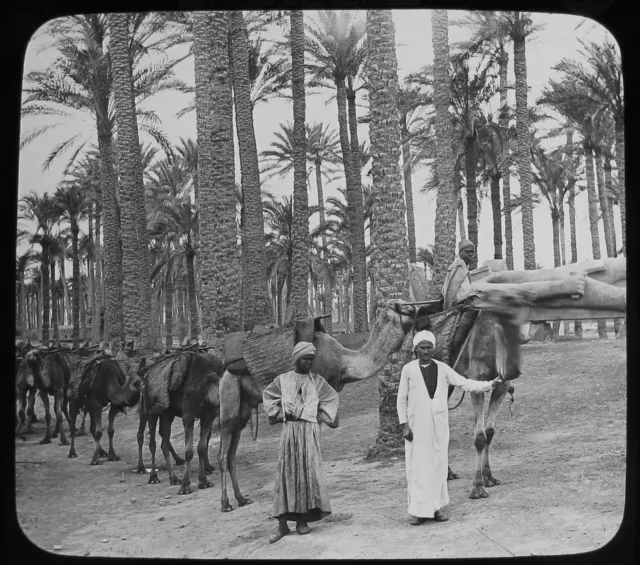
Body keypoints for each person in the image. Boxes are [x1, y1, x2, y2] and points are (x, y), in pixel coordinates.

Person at [397, 330, 503, 525]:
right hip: (416, 427)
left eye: (429, 347)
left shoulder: (443, 369)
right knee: (417, 467)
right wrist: (404, 424)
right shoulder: (408, 370)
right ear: (416, 349)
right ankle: (418, 511)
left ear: (434, 349)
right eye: (422, 347)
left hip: (439, 426)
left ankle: (437, 509)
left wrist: (490, 384)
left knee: (438, 465)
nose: (426, 351)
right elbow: (401, 398)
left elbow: (465, 383)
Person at [262, 341, 340, 543]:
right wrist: (280, 414)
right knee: (286, 473)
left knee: (307, 474)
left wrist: (320, 415)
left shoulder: (317, 381)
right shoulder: (283, 380)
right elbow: (268, 397)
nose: (309, 363)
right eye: (305, 359)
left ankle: (302, 521)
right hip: (290, 433)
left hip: (309, 433)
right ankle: (281, 525)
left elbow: (331, 398)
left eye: (311, 359)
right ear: (296, 358)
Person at [442, 239, 476, 309]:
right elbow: (458, 292)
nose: (470, 254)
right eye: (467, 251)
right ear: (461, 253)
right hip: (458, 307)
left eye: (472, 252)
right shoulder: (459, 267)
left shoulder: (464, 267)